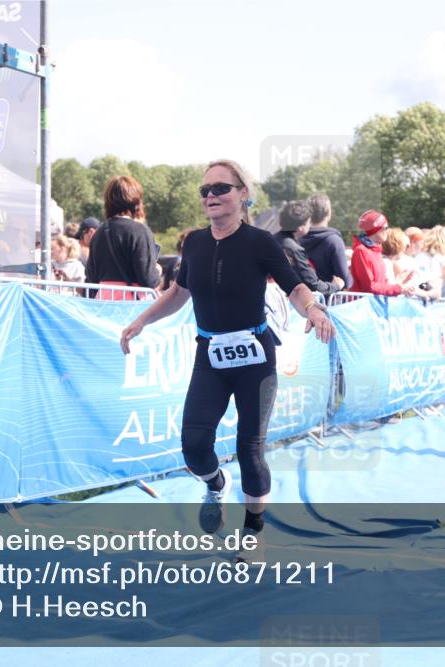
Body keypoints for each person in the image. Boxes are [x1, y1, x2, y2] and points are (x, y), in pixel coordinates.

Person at [119, 159, 335, 561]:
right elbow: (179, 292)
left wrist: (315, 311)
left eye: (221, 188)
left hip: (255, 359)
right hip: (211, 357)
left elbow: (295, 287)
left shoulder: (260, 243)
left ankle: (253, 531)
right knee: (193, 446)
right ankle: (215, 484)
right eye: (205, 191)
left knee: (250, 449)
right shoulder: (196, 243)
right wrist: (141, 321)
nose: (211, 196)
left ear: (243, 195)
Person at [86, 176, 160, 299]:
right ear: (136, 201)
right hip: (132, 305)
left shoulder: (98, 233)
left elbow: (91, 277)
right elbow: (148, 280)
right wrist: (157, 271)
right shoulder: (140, 231)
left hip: (104, 302)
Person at [275, 199, 343, 298]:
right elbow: (313, 284)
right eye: (308, 222)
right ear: (300, 227)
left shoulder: (273, 239)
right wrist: (336, 286)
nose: (310, 225)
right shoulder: (293, 249)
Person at [350, 210, 423, 297]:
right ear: (375, 230)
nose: (387, 231)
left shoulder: (376, 251)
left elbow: (382, 284)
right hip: (362, 306)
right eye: (385, 228)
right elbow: (369, 286)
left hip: (374, 306)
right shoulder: (361, 251)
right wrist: (398, 288)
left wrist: (400, 284)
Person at [300, 193, 352, 289]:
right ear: (329, 213)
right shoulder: (334, 241)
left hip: (300, 300)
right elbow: (345, 280)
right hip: (329, 301)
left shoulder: (296, 240)